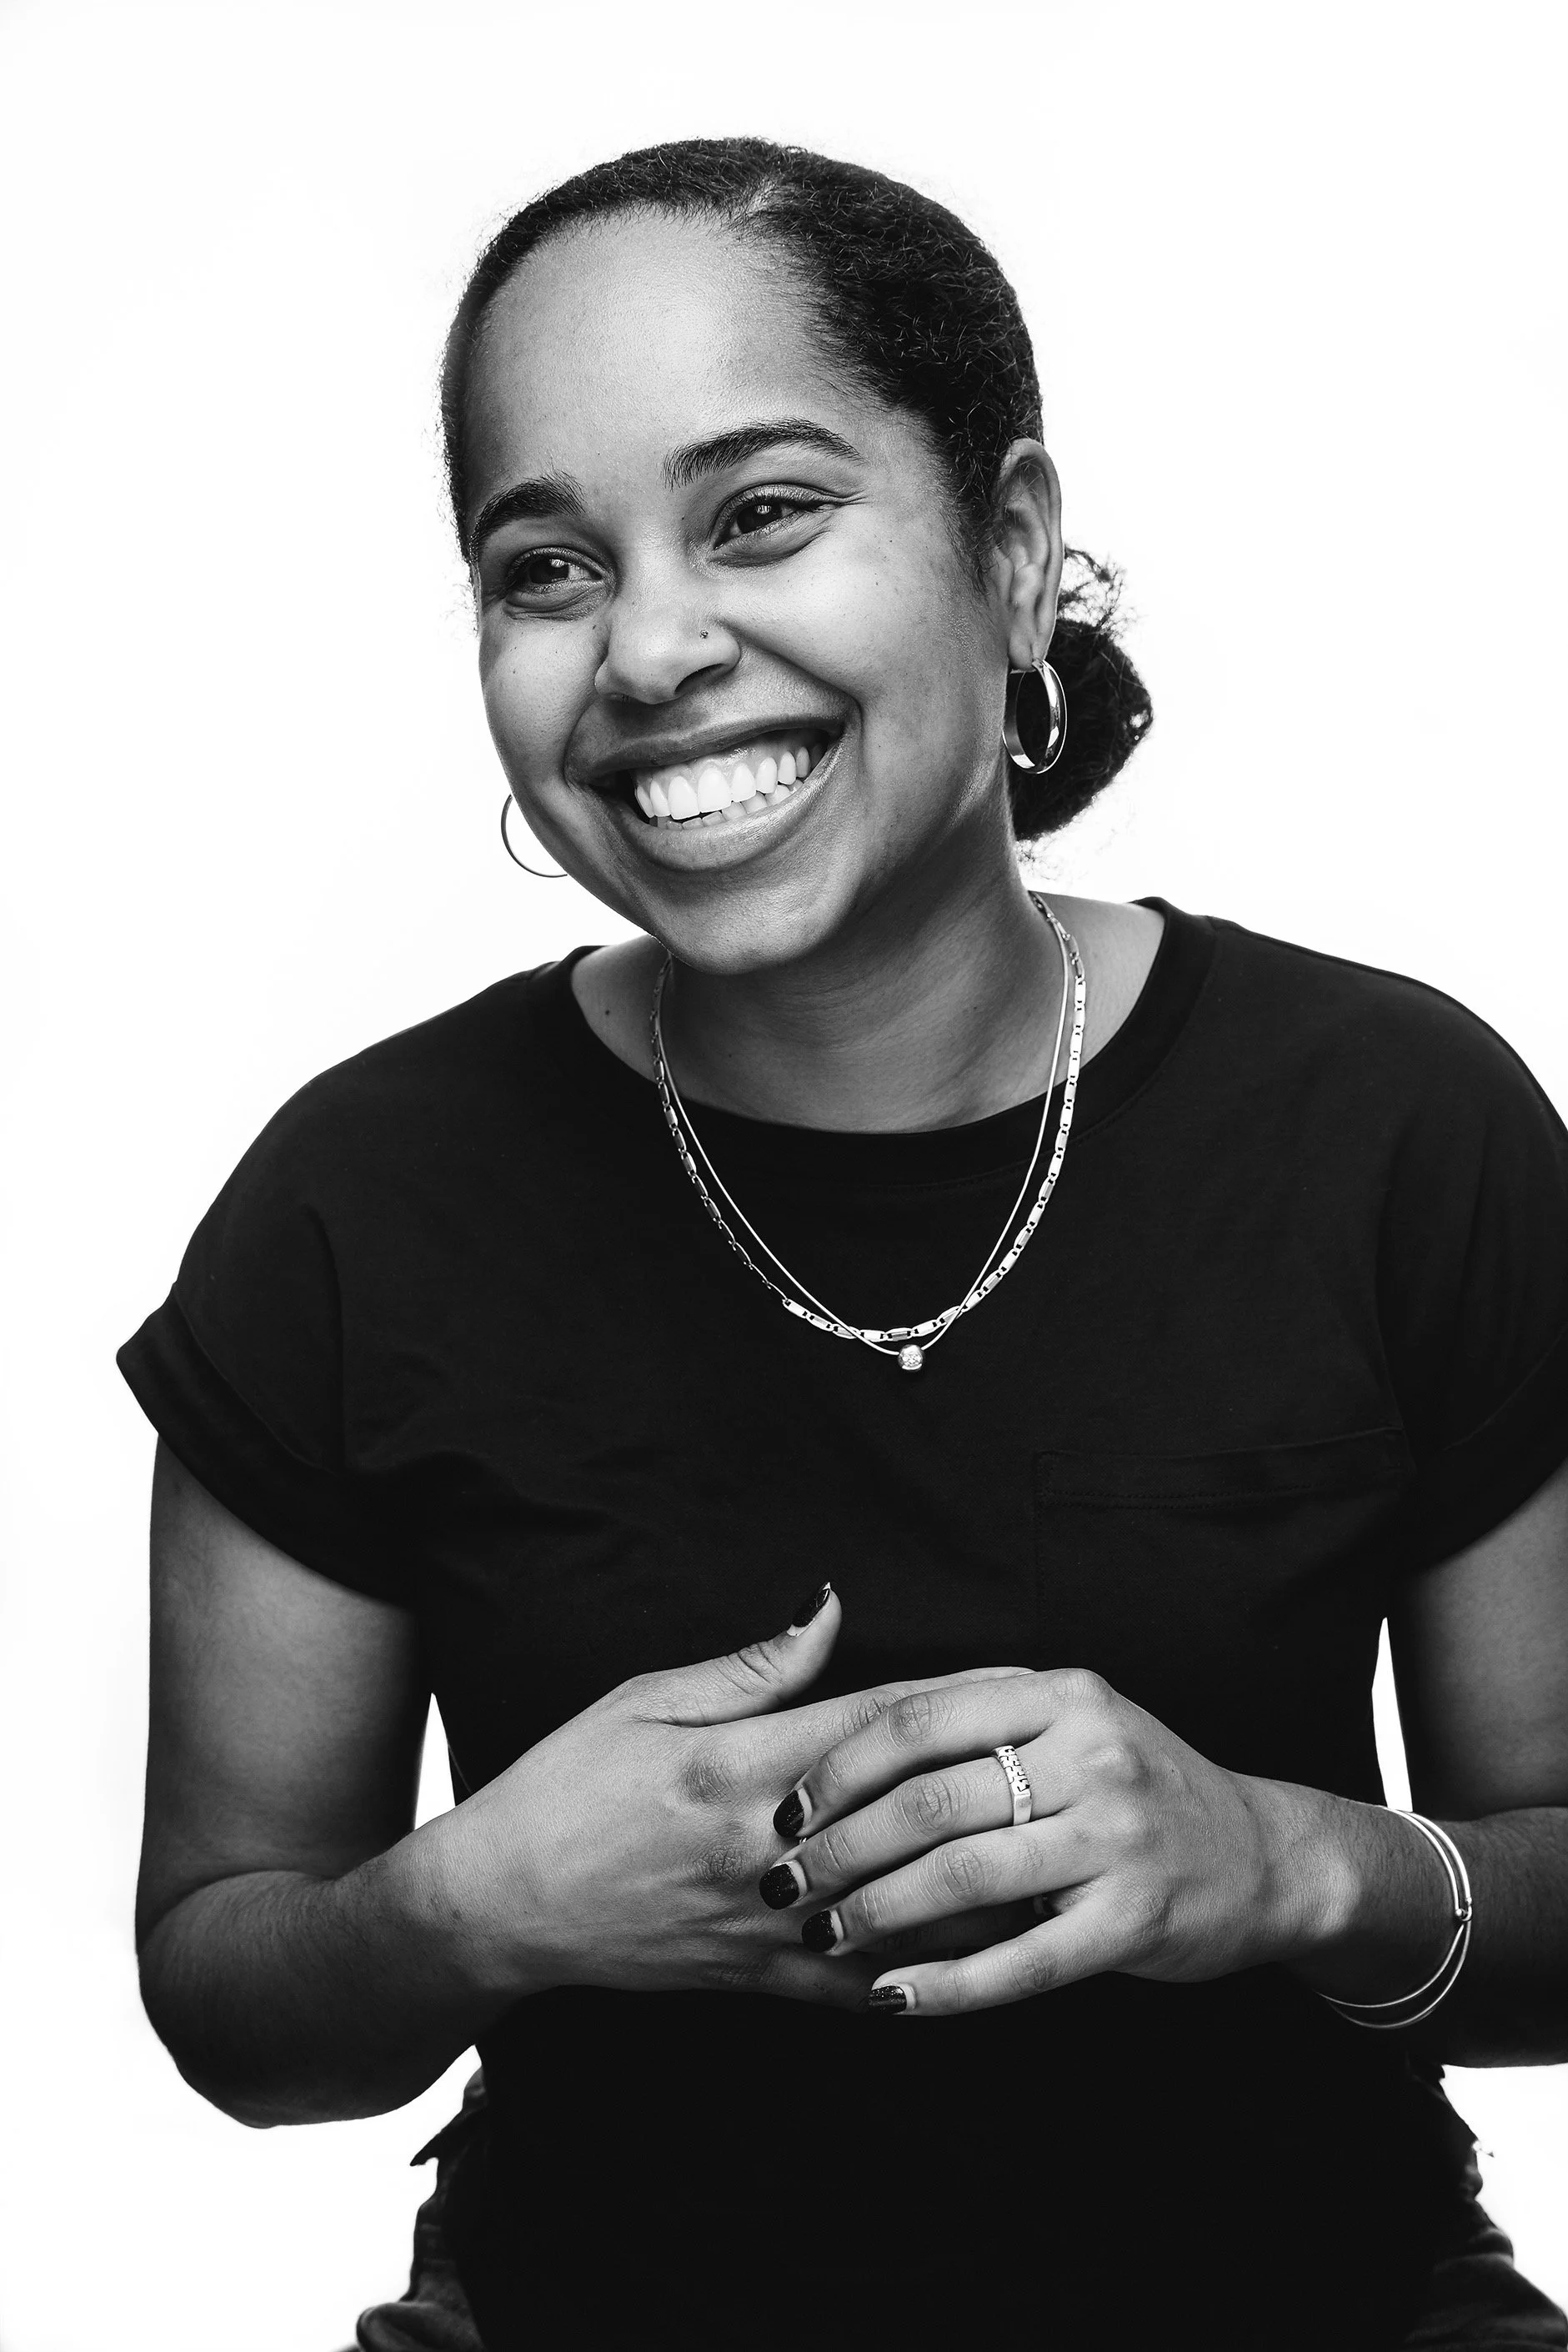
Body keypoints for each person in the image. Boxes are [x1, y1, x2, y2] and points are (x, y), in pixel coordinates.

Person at [118, 139, 1568, 2350]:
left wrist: (1281, 1859)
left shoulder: (1400, 1128)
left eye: (762, 513)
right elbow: (241, 1999)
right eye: (546, 566)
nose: (657, 648)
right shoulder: (360, 1204)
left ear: (1009, 548)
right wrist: (478, 1900)